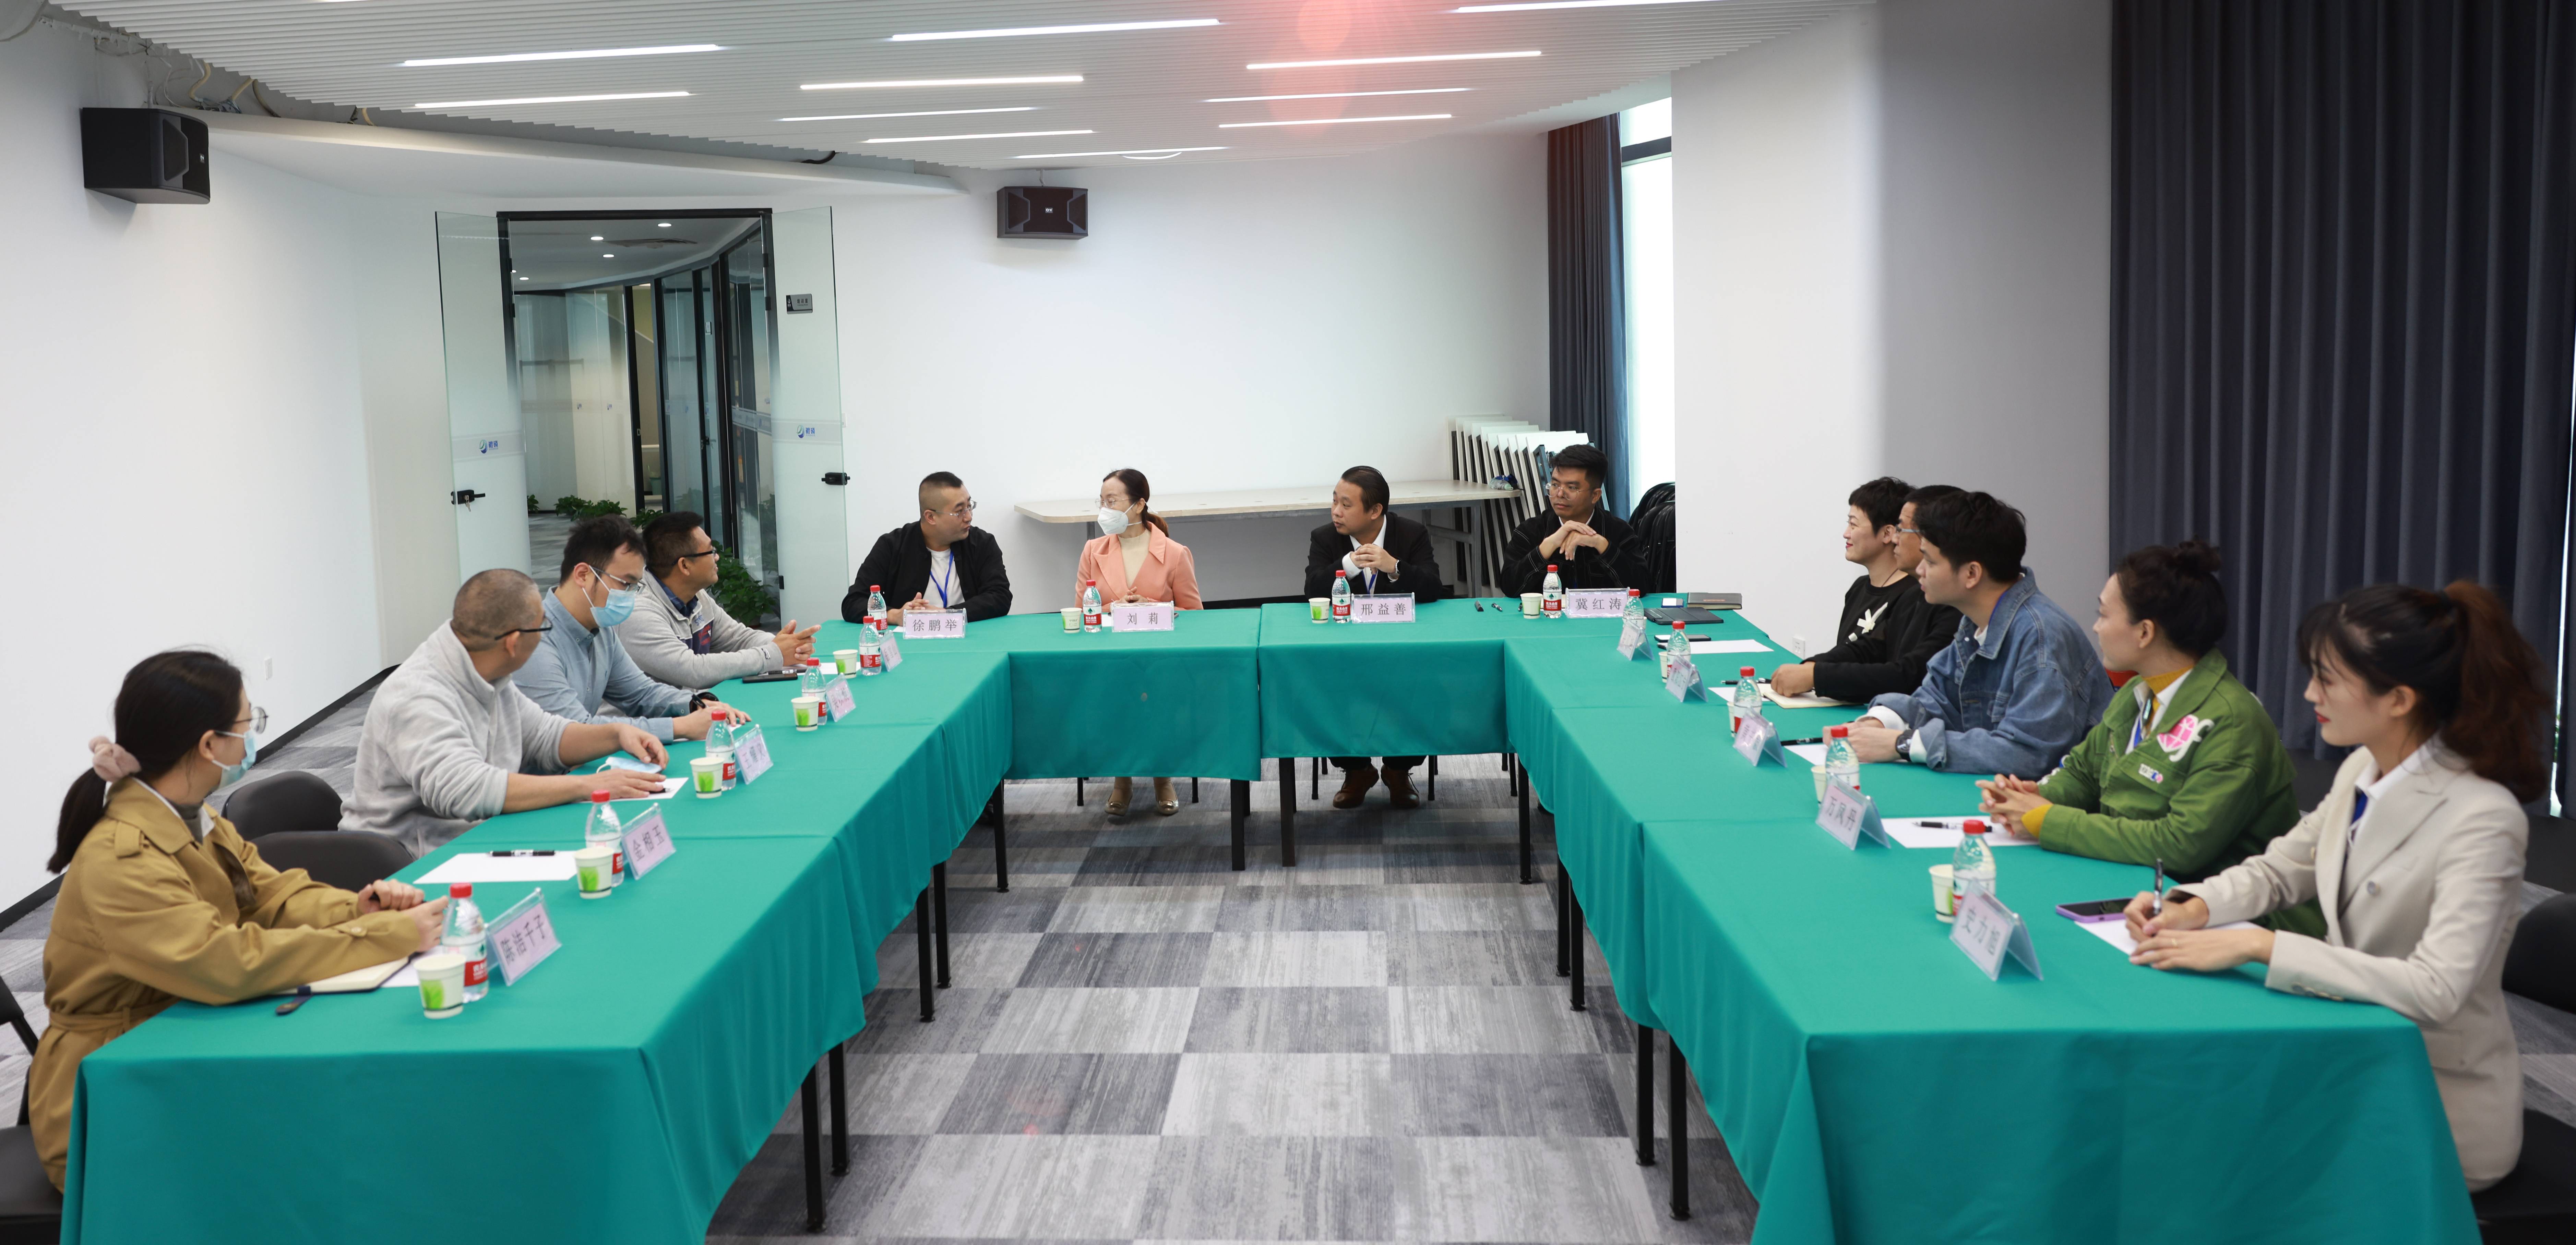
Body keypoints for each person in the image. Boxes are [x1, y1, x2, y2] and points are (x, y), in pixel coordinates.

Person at [2125, 581, 2545, 1191]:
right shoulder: (2363, 767)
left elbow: (2436, 989)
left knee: (2227, 1158)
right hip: (2352, 1052)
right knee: (2198, 1132)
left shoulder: (2483, 817)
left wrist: (2260, 945)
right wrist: (2191, 905)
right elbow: (2280, 869)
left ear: (2398, 699)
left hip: (2434, 1102)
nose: (2309, 695)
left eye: (2326, 679)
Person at [31, 651, 451, 1188]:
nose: (252, 737)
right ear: (210, 745)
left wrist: (359, 909)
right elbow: (225, 963)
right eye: (248, 724)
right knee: (321, 1144)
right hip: (113, 1094)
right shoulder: (122, 858)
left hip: (179, 1044)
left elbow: (271, 897)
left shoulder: (192, 817)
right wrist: (381, 938)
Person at [1975, 544, 2317, 931]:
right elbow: (2084, 773)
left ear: (2145, 632)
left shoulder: (2233, 722)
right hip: (2136, 887)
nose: (2096, 628)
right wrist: (2035, 796)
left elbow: (2179, 845)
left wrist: (2048, 820)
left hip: (2228, 918)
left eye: (2104, 615)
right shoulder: (2138, 693)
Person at [343, 569, 670, 856]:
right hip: (405, 866)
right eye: (543, 628)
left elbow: (546, 736)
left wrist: (615, 735)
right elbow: (467, 791)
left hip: (474, 839)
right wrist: (589, 787)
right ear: (514, 643)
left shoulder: (489, 673)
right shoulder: (418, 695)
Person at [1846, 490, 2111, 774]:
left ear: (1972, 574)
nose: (1920, 571)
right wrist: (1880, 721)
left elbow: (2027, 754)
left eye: (1931, 562)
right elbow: (1936, 698)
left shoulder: (2040, 637)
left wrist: (1905, 743)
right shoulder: (1976, 622)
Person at [1302, 466, 1448, 808]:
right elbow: (1312, 590)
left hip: (1401, 649)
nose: (1336, 512)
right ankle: (1357, 771)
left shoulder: (1411, 534)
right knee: (1322, 687)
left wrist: (1395, 567)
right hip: (1344, 651)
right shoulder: (1325, 538)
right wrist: (1350, 565)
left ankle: (1398, 770)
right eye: (1334, 502)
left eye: (1346, 504)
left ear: (1375, 510)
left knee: (1425, 686)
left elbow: (1433, 588)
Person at [520, 516, 738, 742]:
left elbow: (641, 694)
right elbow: (572, 731)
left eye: (636, 586)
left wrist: (695, 705)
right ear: (583, 575)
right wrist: (678, 727)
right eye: (626, 584)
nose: (631, 596)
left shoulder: (601, 629)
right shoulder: (534, 642)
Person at [1075, 468, 1204, 817]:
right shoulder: (1093, 550)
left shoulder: (1175, 553)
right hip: (1111, 656)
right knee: (1115, 696)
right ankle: (1123, 781)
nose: (1105, 509)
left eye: (1112, 501)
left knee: (1156, 696)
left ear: (1139, 504)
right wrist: (1113, 608)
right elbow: (1082, 610)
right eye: (1102, 501)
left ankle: (1163, 778)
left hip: (1159, 657)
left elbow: (1195, 615)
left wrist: (1155, 608)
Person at [1769, 481, 1963, 703]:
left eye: (1901, 530)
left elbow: (1909, 675)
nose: (1896, 539)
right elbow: (1871, 647)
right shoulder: (1915, 596)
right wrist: (1812, 668)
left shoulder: (1954, 609)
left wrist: (1816, 675)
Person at [619, 511, 816, 690]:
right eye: (710, 551)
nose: (717, 557)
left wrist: (789, 645)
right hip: (646, 719)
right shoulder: (638, 612)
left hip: (689, 710)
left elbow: (739, 639)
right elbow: (692, 670)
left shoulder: (697, 597)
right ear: (685, 566)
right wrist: (771, 654)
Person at [846, 471, 1013, 624]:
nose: (969, 517)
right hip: (909, 642)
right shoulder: (892, 546)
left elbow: (1000, 597)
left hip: (968, 639)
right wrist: (894, 616)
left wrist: (947, 614)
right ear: (931, 517)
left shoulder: (982, 543)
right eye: (959, 511)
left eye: (969, 506)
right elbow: (853, 602)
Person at [1496, 444, 1646, 593]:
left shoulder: (1619, 532)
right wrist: (1547, 547)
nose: (1560, 494)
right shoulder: (1530, 531)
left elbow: (1643, 586)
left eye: (1572, 488)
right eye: (1555, 485)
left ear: (1595, 496)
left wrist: (1601, 545)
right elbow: (1510, 588)